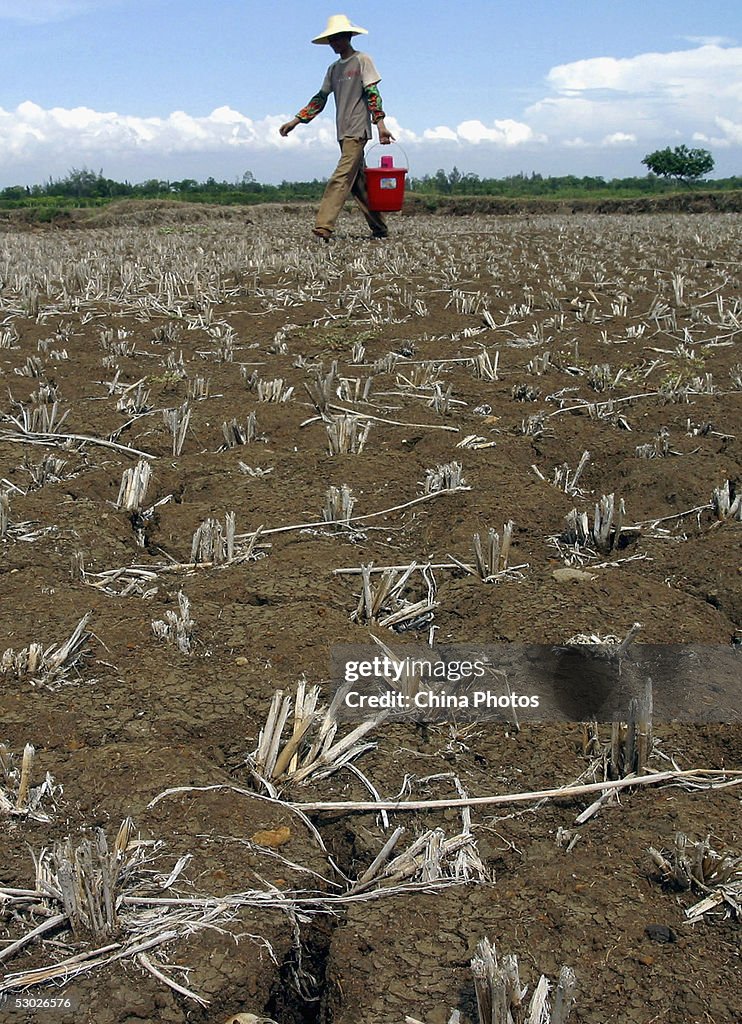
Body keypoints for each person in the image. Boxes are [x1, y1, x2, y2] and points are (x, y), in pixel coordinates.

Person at [279, 13, 395, 241]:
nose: (333, 43)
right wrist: (296, 121)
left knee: (340, 177)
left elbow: (373, 94)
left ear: (348, 37)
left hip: (357, 129)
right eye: (331, 40)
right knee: (358, 184)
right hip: (342, 131)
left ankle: (324, 227)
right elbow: (320, 99)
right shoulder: (334, 69)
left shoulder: (362, 60)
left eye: (337, 38)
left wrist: (380, 124)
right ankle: (380, 229)